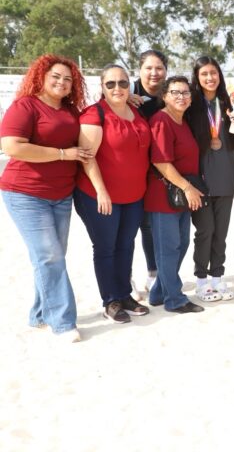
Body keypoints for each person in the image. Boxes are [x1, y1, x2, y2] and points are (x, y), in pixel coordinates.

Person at [0, 54, 91, 342]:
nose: (62, 82)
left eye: (68, 79)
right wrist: (63, 154)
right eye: (56, 76)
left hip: (61, 195)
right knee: (49, 256)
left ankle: (39, 314)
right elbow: (12, 147)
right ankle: (62, 322)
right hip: (25, 193)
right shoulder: (25, 106)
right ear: (41, 75)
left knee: (51, 257)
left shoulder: (72, 111)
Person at [74, 64, 151, 324]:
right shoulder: (94, 114)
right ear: (102, 86)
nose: (117, 88)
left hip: (134, 196)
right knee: (106, 248)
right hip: (99, 196)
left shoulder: (135, 110)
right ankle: (111, 301)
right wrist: (101, 191)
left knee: (126, 246)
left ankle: (124, 294)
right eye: (111, 84)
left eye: (122, 83)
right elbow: (86, 157)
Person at [144, 76, 206, 314]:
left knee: (179, 246)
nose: (181, 97)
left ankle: (159, 292)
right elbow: (161, 161)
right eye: (175, 92)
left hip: (180, 196)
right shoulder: (161, 120)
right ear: (165, 96)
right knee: (168, 248)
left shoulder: (183, 121)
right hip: (164, 196)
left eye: (186, 93)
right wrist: (188, 188)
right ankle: (175, 299)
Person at [187, 56, 234, 302]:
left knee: (221, 233)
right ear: (197, 78)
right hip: (201, 179)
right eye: (204, 74)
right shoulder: (190, 105)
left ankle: (218, 276)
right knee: (205, 231)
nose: (210, 78)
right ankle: (201, 279)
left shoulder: (228, 103)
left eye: (214, 73)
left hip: (226, 176)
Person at [128, 49, 168, 297]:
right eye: (149, 68)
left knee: (150, 227)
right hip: (130, 172)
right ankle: (126, 279)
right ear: (140, 69)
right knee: (128, 229)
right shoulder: (125, 93)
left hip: (159, 173)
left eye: (159, 68)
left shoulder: (169, 95)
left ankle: (153, 273)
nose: (154, 73)